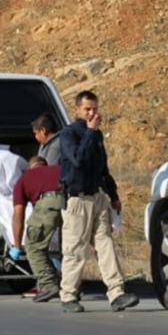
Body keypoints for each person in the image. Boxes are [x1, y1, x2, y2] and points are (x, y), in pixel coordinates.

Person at [57, 90, 140, 313]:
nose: (92, 113)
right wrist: (91, 133)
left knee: (105, 244)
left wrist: (113, 196)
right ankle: (68, 295)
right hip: (77, 200)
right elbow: (78, 160)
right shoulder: (68, 135)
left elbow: (103, 169)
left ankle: (116, 293)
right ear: (77, 110)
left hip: (97, 197)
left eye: (95, 108)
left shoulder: (96, 136)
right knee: (75, 249)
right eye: (87, 109)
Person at [9, 156, 63, 303]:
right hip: (72, 203)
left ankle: (48, 285)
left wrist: (17, 245)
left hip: (48, 203)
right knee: (71, 248)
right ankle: (72, 287)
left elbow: (18, 215)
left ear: (30, 168)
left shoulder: (24, 179)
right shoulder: (60, 169)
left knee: (34, 246)